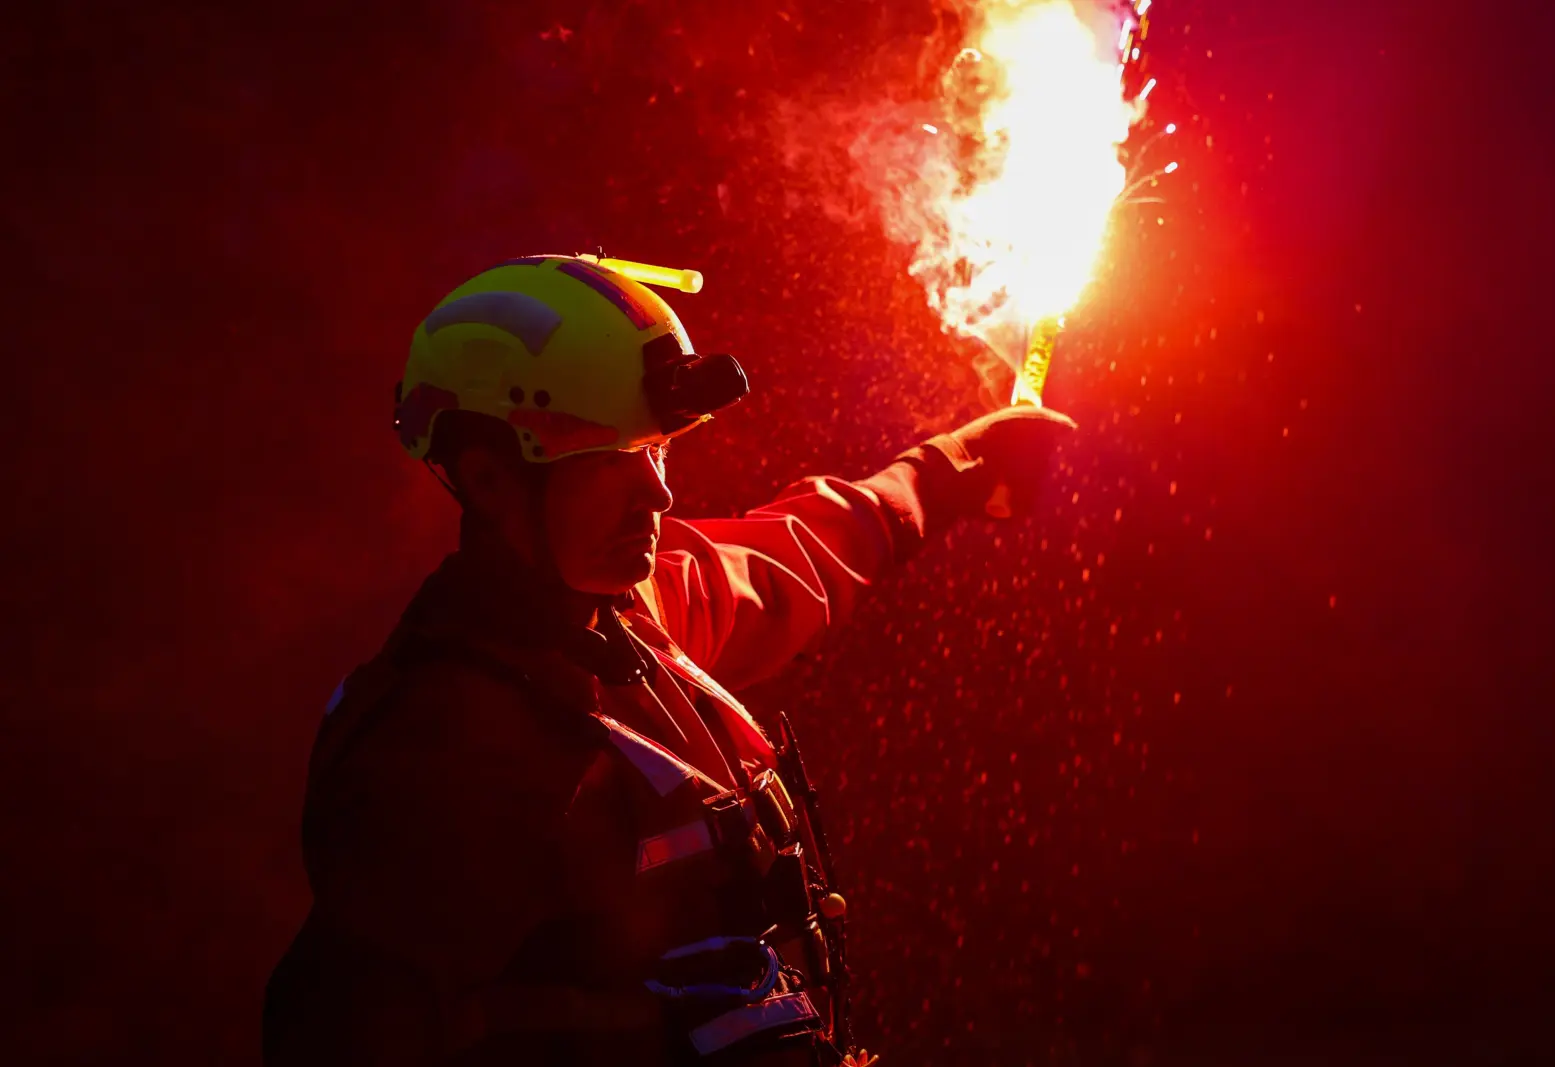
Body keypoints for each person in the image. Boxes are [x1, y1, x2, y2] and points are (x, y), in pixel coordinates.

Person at [262, 254, 1076, 1066]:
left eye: (658, 451)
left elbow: (794, 554)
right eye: (615, 460)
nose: (656, 492)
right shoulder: (437, 753)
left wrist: (957, 470)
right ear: (490, 479)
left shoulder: (636, 617)